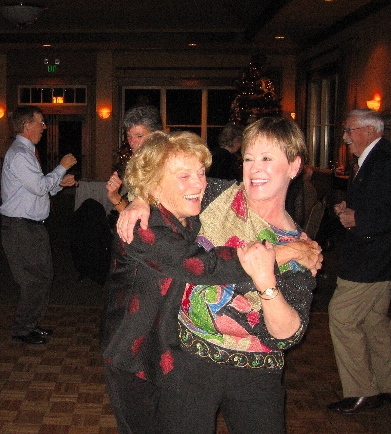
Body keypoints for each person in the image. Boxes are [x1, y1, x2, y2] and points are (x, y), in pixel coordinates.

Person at [117, 117, 320, 433]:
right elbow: (165, 181)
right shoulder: (216, 195)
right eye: (249, 158)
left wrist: (267, 284)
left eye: (267, 158)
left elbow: (287, 335)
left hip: (256, 375)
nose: (255, 169)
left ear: (294, 166)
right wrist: (140, 199)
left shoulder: (299, 246)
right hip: (187, 361)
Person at [327, 108, 391, 414]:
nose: (345, 137)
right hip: (377, 256)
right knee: (374, 321)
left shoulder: (387, 160)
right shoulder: (377, 157)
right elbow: (382, 202)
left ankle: (362, 391)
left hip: (372, 257)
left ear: (370, 131)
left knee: (342, 317)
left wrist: (359, 219)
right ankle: (390, 386)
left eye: (350, 130)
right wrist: (351, 208)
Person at [0, 106, 77, 345]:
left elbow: (39, 189)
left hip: (30, 226)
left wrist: (59, 184)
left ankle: (31, 324)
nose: (44, 127)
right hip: (21, 227)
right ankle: (22, 329)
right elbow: (40, 187)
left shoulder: (26, 152)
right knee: (34, 280)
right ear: (26, 125)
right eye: (40, 122)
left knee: (43, 277)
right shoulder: (20, 154)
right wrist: (62, 167)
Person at [106, 105, 162, 212]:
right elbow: (133, 214)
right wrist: (114, 196)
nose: (131, 142)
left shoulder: (166, 166)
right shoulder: (138, 165)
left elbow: (152, 219)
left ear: (156, 136)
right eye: (129, 136)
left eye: (139, 136)